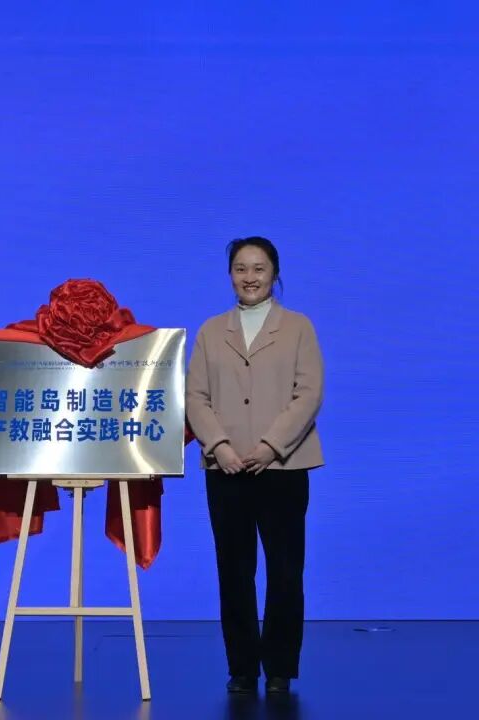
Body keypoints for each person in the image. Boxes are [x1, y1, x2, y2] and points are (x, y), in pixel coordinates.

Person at [185, 236, 325, 695]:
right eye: (241, 269)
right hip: (225, 468)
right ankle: (242, 667)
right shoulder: (211, 331)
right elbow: (195, 396)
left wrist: (270, 446)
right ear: (230, 275)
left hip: (283, 467)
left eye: (259, 268)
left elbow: (309, 394)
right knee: (234, 570)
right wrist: (219, 446)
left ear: (274, 274)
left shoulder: (298, 327)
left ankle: (280, 667)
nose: (250, 277)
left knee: (285, 570)